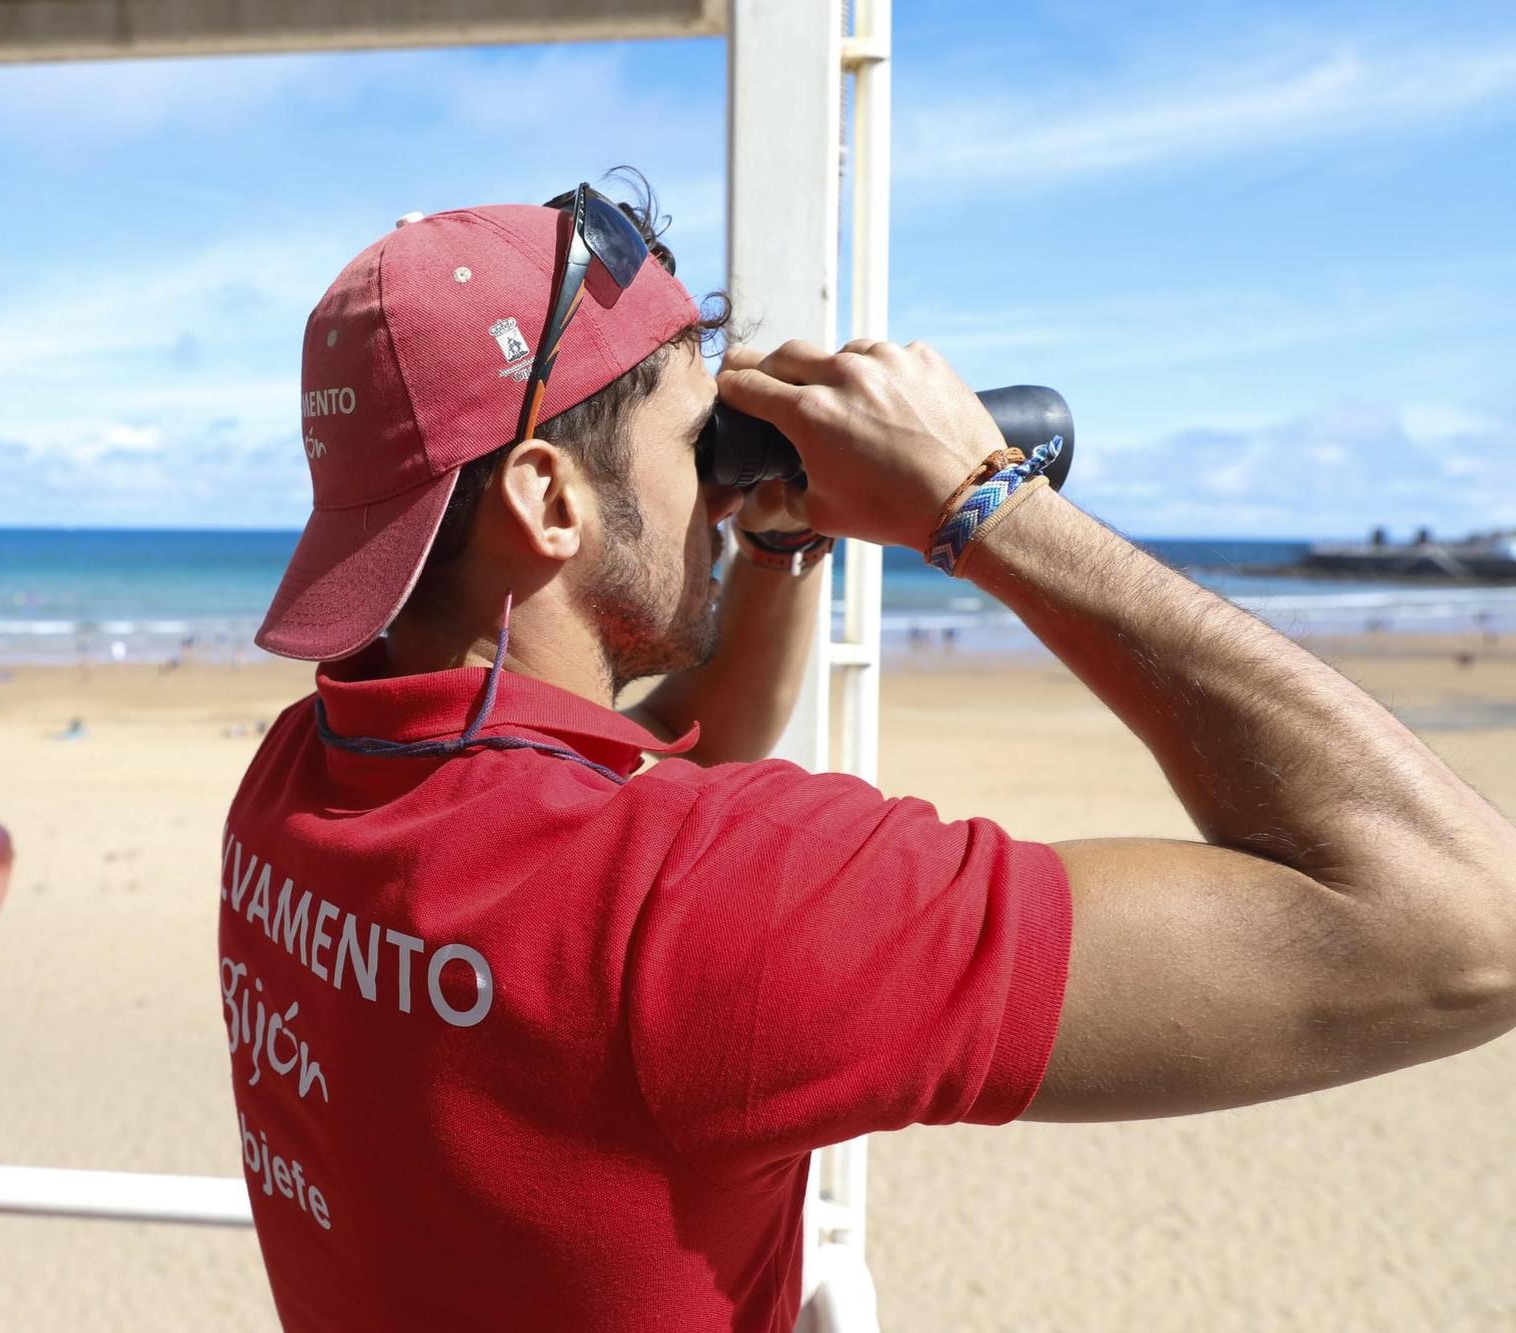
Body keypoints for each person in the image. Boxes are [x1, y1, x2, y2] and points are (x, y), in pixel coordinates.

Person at [219, 185, 1516, 1332]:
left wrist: (777, 542)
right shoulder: (718, 901)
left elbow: (670, 768)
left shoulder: (298, 787)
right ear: (550, 500)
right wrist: (983, 501)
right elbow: (1467, 925)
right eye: (696, 448)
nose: (716, 500)